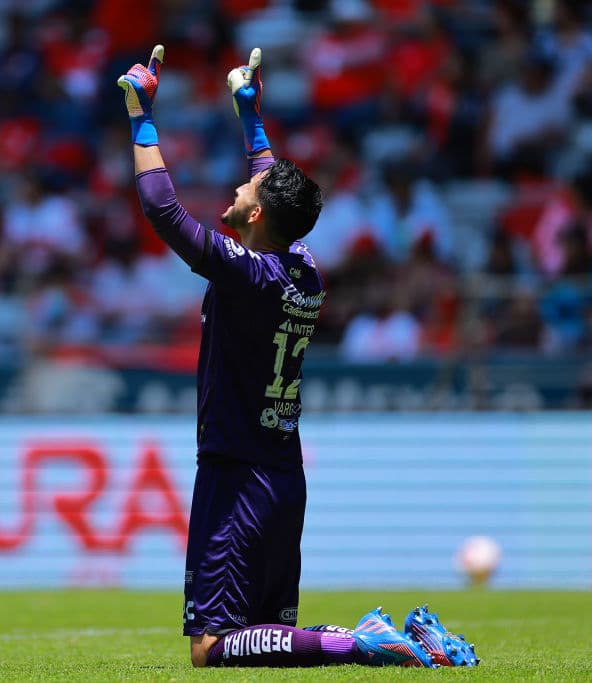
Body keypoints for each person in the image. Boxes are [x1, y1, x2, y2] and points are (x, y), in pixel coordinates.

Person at [117, 45, 479, 669]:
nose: (237, 184)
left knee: (210, 648)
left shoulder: (246, 274)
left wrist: (139, 112)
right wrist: (250, 114)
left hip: (235, 475)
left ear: (255, 213)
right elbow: (275, 185)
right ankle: (371, 636)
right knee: (264, 637)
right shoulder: (304, 268)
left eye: (246, 186)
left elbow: (161, 209)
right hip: (283, 473)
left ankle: (359, 642)